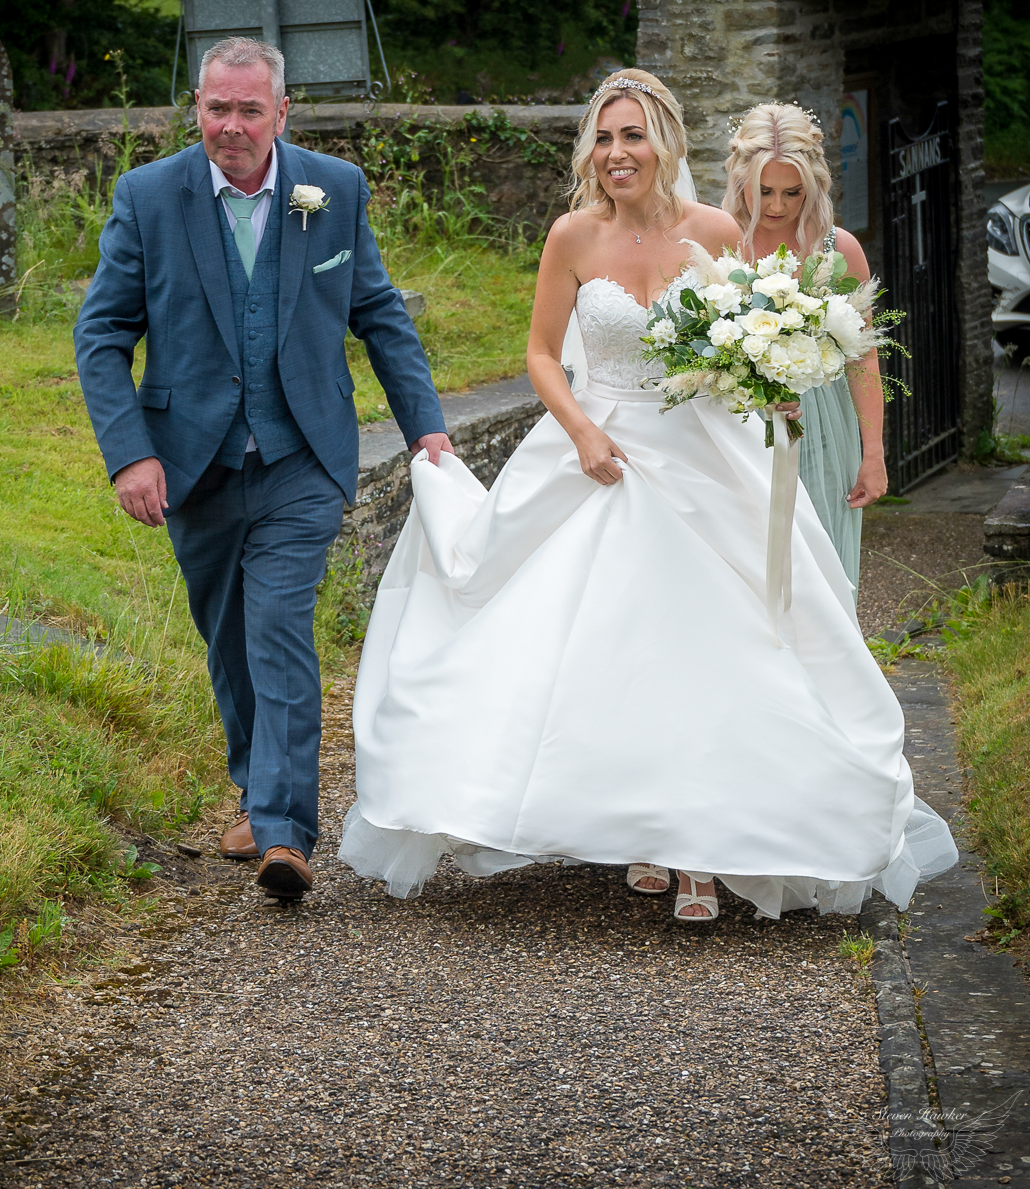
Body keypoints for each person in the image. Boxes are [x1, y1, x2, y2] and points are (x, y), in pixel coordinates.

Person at [339, 70, 956, 920]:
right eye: (603, 138)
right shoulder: (572, 236)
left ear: (664, 142)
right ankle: (639, 834)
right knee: (601, 648)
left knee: (708, 643)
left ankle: (698, 853)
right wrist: (586, 432)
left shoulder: (715, 230)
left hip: (701, 452)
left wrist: (766, 382)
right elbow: (543, 355)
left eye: (632, 136)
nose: (616, 154)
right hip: (594, 448)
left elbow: (746, 333)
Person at [75, 37, 451, 900]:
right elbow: (102, 336)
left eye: (250, 110)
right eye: (217, 109)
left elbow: (378, 315)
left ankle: (285, 831)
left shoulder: (334, 190)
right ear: (196, 109)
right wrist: (130, 453)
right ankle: (257, 789)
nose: (231, 127)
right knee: (229, 639)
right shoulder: (148, 197)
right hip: (191, 461)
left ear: (283, 113)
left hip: (301, 454)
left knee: (278, 624)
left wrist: (425, 427)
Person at [723, 102, 885, 592]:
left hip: (825, 424)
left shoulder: (839, 249)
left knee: (824, 564)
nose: (775, 206)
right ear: (740, 182)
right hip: (738, 422)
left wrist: (873, 451)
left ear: (812, 185)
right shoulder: (718, 243)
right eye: (762, 191)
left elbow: (863, 354)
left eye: (791, 193)